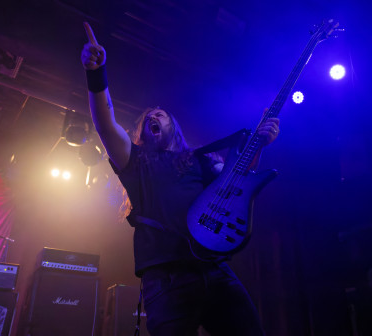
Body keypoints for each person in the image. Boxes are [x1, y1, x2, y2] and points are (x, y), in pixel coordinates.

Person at [81, 22, 280, 336]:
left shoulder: (201, 160)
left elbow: (237, 185)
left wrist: (260, 145)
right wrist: (97, 73)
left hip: (214, 268)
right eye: (147, 118)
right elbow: (105, 125)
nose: (152, 116)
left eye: (160, 115)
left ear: (173, 127)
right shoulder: (136, 160)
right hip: (166, 277)